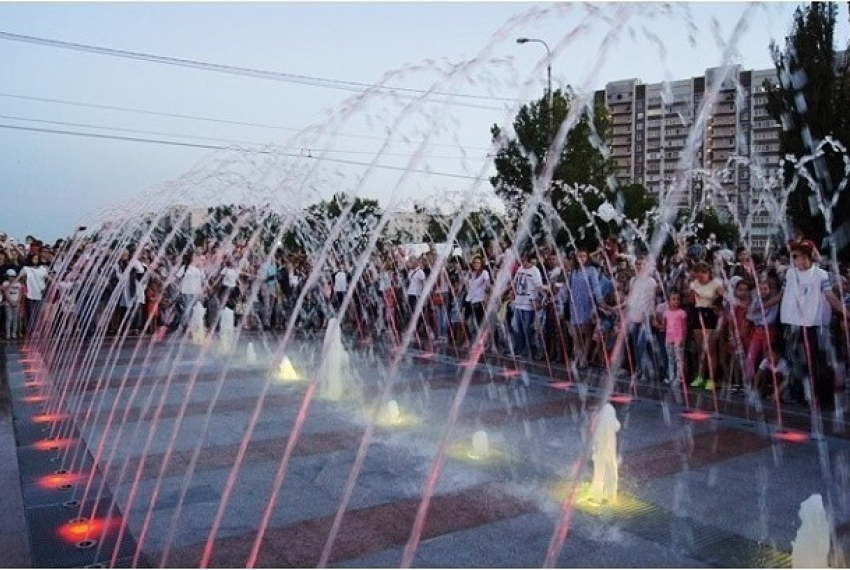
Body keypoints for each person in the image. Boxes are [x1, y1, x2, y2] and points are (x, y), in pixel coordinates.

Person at [779, 239, 848, 413]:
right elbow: (781, 295)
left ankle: (822, 396)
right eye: (795, 258)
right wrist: (763, 306)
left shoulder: (821, 275)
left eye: (802, 258)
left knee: (817, 360)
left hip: (815, 325)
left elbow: (831, 297)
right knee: (799, 361)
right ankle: (804, 396)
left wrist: (846, 312)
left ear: (810, 258)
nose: (798, 262)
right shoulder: (790, 274)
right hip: (794, 324)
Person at [688, 261, 725, 391]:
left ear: (708, 273)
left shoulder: (716, 284)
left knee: (710, 349)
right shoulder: (694, 283)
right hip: (698, 313)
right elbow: (691, 301)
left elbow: (725, 297)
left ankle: (712, 379)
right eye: (698, 274)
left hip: (710, 314)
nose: (700, 276)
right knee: (700, 350)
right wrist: (692, 293)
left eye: (702, 273)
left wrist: (715, 303)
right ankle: (700, 376)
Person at [510, 251, 543, 360]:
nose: (523, 262)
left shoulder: (535, 271)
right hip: (518, 302)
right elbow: (515, 283)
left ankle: (530, 351)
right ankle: (520, 349)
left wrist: (541, 298)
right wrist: (511, 293)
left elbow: (539, 287)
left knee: (527, 329)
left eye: (525, 260)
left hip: (528, 304)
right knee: (515, 326)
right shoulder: (520, 269)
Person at [661, 290, 688, 385]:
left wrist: (683, 339)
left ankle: (679, 379)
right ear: (669, 301)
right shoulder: (666, 313)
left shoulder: (682, 313)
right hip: (669, 338)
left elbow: (684, 327)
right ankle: (671, 377)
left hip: (678, 339)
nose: (676, 301)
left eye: (678, 299)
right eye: (673, 299)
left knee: (679, 359)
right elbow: (664, 326)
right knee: (670, 358)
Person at [2, 269, 22, 339]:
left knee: (15, 319)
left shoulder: (18, 284)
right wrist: (11, 302)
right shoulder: (5, 283)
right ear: (7, 276)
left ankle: (14, 333)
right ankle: (8, 333)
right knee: (9, 318)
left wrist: (17, 302)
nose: (12, 278)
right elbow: (5, 293)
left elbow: (20, 293)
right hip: (8, 304)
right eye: (11, 276)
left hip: (16, 304)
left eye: (13, 276)